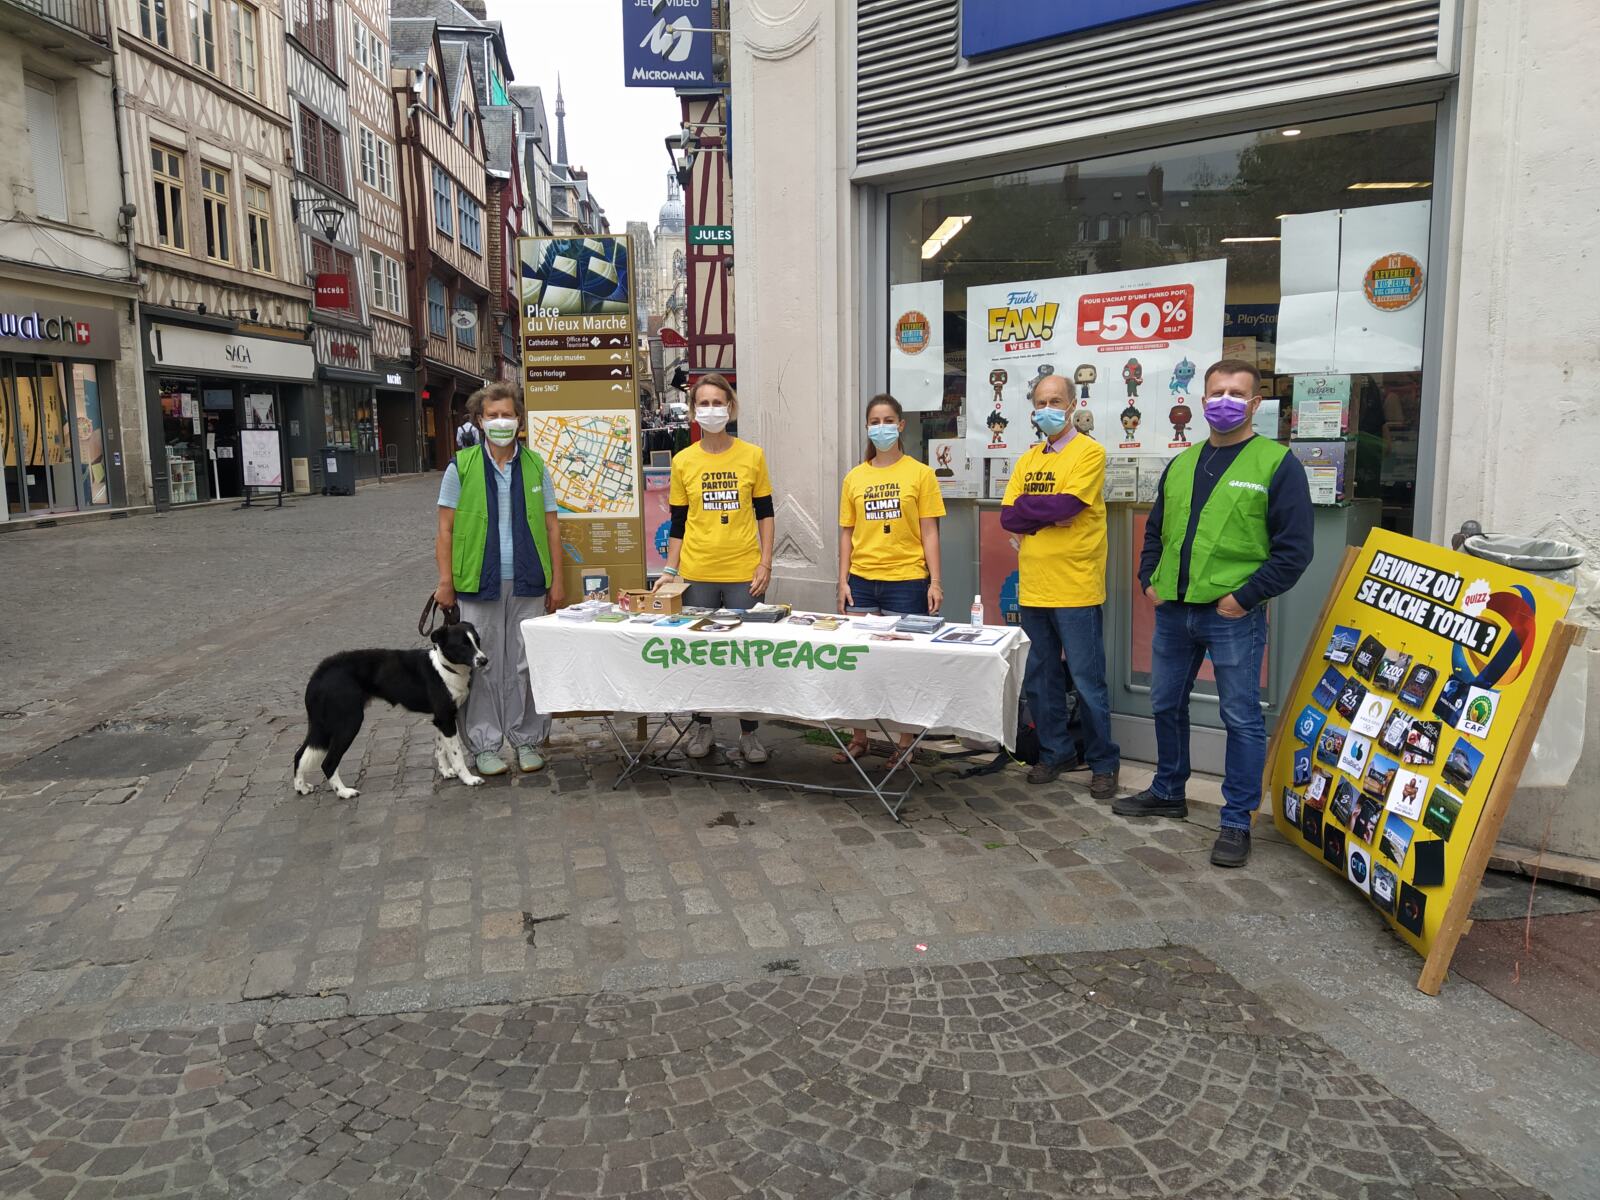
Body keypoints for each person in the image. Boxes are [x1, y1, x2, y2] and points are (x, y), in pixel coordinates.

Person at [1119, 358, 1314, 868]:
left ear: (1254, 404)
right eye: (1215, 392)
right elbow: (1156, 530)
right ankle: (1168, 790)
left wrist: (1244, 598)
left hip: (1232, 616)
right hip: (1174, 614)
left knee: (1241, 718)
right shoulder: (1182, 463)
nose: (1223, 400)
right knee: (1165, 705)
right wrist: (1148, 580)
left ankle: (1236, 820)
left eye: (1235, 392)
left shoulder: (1276, 463)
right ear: (1202, 399)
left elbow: (1294, 550)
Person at [433, 382, 565, 777]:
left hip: (528, 580)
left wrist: (557, 581)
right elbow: (445, 529)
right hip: (479, 581)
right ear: (479, 421)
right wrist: (445, 581)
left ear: (520, 420)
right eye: (493, 416)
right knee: (482, 665)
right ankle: (485, 744)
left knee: (525, 664)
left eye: (507, 414)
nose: (501, 421)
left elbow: (553, 528)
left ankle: (526, 740)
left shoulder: (537, 465)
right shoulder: (461, 467)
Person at [1000, 374, 1120, 799]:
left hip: (1077, 585)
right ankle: (1055, 753)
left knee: (1087, 681)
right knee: (1041, 677)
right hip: (1033, 586)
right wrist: (1047, 514)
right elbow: (1008, 517)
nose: (1047, 407)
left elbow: (1071, 505)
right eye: (1040, 401)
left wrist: (1038, 512)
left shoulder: (1090, 453)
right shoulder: (1028, 459)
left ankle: (1104, 763)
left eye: (1055, 400)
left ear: (1071, 405)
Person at [653, 374, 775, 763]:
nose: (711, 410)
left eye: (717, 402)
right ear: (692, 411)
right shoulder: (683, 460)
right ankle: (702, 726)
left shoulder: (752, 455)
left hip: (743, 572)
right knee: (700, 654)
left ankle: (749, 733)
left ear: (731, 406)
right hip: (698, 572)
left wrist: (765, 562)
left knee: (747, 655)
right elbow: (677, 523)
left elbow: (766, 513)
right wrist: (670, 571)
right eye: (702, 404)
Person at [834, 394, 945, 767]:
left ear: (901, 425)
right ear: (868, 428)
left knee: (903, 666)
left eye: (888, 420)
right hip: (862, 581)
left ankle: (905, 741)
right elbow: (847, 533)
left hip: (907, 582)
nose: (881, 427)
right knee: (858, 664)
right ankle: (859, 736)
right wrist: (842, 580)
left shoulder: (921, 474)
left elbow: (930, 531)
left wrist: (935, 581)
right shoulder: (855, 477)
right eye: (874, 421)